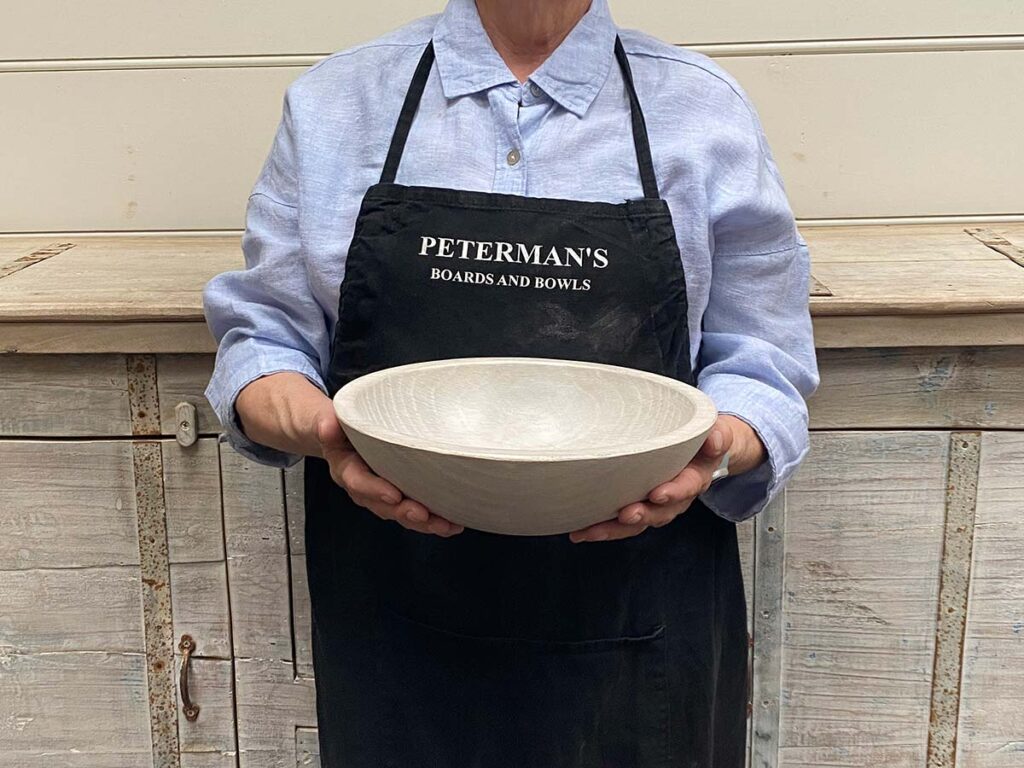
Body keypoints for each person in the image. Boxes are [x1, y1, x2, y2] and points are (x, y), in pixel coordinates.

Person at [202, 0, 820, 765]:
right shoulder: (338, 102)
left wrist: (722, 442)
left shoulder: (702, 108)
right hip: (395, 623)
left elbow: (767, 360)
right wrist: (314, 425)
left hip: (641, 628)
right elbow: (263, 340)